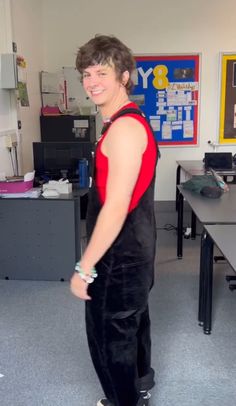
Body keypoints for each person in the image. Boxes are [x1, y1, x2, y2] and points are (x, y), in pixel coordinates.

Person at [70, 34, 158, 406]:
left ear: (124, 76)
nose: (92, 82)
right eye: (87, 73)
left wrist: (84, 266)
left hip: (118, 257)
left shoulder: (123, 129)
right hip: (136, 249)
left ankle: (124, 401)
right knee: (133, 324)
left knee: (110, 337)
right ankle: (141, 386)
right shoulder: (124, 121)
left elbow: (116, 205)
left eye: (102, 72)